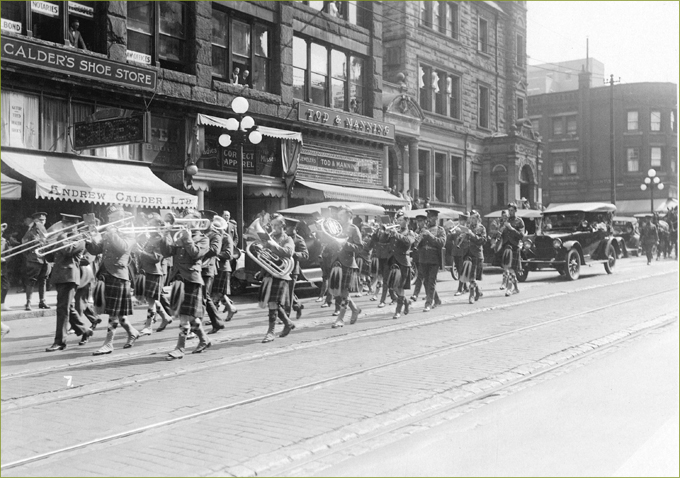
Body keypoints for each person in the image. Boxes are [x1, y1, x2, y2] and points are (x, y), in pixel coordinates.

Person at [87, 206, 141, 355]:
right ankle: (133, 332)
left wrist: (112, 233)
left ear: (120, 219)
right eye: (109, 219)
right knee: (117, 312)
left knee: (113, 312)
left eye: (112, 219)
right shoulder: (110, 233)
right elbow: (97, 249)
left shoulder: (129, 233)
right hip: (106, 273)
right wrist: (89, 238)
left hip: (118, 275)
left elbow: (123, 248)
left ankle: (109, 343)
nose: (109, 222)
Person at [161, 211, 211, 359]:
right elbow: (167, 252)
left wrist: (187, 238)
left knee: (184, 316)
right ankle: (204, 339)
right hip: (178, 278)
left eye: (189, 220)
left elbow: (196, 254)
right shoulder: (179, 236)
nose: (185, 223)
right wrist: (165, 236)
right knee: (189, 317)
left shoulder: (203, 239)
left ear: (198, 222)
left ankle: (180, 348)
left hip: (191, 279)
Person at [44, 214, 93, 351]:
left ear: (73, 225)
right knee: (66, 308)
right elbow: (51, 257)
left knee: (63, 310)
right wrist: (46, 246)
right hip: (60, 276)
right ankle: (85, 331)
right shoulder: (64, 238)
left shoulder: (79, 238)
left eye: (65, 225)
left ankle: (60, 341)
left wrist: (60, 237)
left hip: (70, 277)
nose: (62, 227)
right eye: (63, 224)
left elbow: (67, 251)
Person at [257, 214, 296, 342]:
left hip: (281, 273)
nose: (273, 228)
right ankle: (288, 323)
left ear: (282, 226)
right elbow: (266, 257)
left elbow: (289, 252)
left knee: (273, 303)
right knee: (272, 302)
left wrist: (272, 246)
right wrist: (261, 271)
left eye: (276, 225)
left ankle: (271, 332)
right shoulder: (271, 238)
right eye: (272, 225)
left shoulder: (287, 239)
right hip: (270, 273)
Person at [325, 205, 363, 328]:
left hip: (347, 262)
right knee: (339, 292)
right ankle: (355, 309)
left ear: (349, 215)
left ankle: (340, 319)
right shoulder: (336, 227)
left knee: (344, 291)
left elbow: (360, 247)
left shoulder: (353, 228)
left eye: (342, 215)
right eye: (339, 215)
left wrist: (346, 244)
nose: (339, 217)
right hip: (336, 262)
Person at [135, 214, 173, 336]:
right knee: (152, 299)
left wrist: (141, 252)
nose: (149, 227)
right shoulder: (151, 238)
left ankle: (148, 326)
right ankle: (166, 317)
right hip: (147, 271)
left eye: (151, 226)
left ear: (158, 227)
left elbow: (156, 258)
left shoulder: (161, 239)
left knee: (151, 301)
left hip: (154, 272)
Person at [198, 211, 226, 335]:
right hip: (199, 267)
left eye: (203, 220)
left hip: (207, 269)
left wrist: (200, 250)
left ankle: (200, 325)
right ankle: (217, 322)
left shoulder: (215, 235)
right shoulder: (200, 234)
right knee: (204, 297)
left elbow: (215, 250)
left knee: (204, 297)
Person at [386, 211, 415, 319]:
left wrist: (396, 234)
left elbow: (408, 242)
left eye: (401, 220)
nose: (398, 222)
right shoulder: (395, 231)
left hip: (403, 262)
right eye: (397, 220)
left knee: (400, 287)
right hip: (394, 261)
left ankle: (398, 311)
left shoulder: (410, 232)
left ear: (407, 221)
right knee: (393, 287)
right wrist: (385, 233)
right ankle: (406, 302)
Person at [416, 209, 446, 312]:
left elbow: (441, 242)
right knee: (426, 281)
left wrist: (430, 235)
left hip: (434, 259)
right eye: (428, 218)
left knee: (431, 281)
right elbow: (418, 244)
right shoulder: (423, 229)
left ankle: (428, 303)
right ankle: (436, 300)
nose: (429, 220)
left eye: (431, 217)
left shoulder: (440, 230)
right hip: (423, 258)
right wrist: (418, 237)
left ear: (436, 218)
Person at [22, 212, 52, 311]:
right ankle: (28, 303)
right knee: (31, 281)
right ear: (35, 221)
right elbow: (24, 246)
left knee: (43, 281)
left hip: (45, 260)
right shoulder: (30, 232)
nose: (42, 222)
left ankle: (42, 301)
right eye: (40, 220)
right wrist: (30, 257)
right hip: (34, 260)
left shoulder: (46, 232)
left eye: (43, 220)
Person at [285, 218, 309, 320]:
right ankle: (298, 306)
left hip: (292, 270)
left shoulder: (299, 239)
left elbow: (305, 255)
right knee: (284, 292)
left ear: (294, 228)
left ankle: (286, 316)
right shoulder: (283, 238)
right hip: (282, 269)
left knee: (288, 294)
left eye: (288, 227)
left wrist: (293, 254)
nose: (286, 229)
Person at [500, 202, 525, 296]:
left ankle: (509, 288)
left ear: (515, 210)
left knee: (511, 269)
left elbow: (521, 235)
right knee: (510, 269)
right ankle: (516, 288)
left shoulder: (519, 221)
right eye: (509, 210)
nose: (510, 212)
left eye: (512, 210)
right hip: (506, 246)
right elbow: (501, 233)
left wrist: (511, 229)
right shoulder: (505, 220)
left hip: (514, 246)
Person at [464, 211, 487, 304]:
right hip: (468, 254)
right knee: (470, 276)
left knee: (472, 277)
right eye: (471, 218)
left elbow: (483, 241)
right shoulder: (468, 227)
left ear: (477, 218)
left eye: (474, 218)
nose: (472, 220)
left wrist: (472, 235)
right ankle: (478, 291)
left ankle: (471, 295)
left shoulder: (481, 228)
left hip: (477, 254)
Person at [447, 213, 470, 296]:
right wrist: (450, 232)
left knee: (461, 271)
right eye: (460, 220)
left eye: (462, 221)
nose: (460, 222)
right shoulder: (457, 229)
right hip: (456, 252)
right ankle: (466, 287)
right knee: (459, 270)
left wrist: (462, 231)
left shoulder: (467, 229)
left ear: (466, 221)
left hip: (464, 252)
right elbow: (449, 239)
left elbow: (468, 241)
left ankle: (460, 289)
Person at [410, 213, 427, 302]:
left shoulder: (427, 230)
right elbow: (413, 244)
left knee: (421, 276)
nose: (419, 223)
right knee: (424, 278)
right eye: (418, 221)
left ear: (425, 222)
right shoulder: (416, 230)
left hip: (425, 256)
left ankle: (415, 294)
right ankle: (432, 296)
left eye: (420, 221)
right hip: (417, 256)